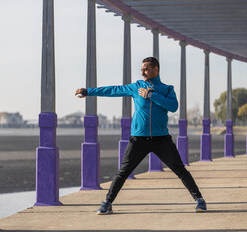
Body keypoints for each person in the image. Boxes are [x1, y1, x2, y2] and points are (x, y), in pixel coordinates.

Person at [75, 57, 206, 215]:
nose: (142, 72)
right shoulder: (136, 87)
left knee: (180, 169)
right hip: (138, 139)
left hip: (161, 140)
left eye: (145, 69)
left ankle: (199, 200)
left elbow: (173, 107)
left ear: (155, 69)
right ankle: (107, 203)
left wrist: (152, 96)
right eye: (142, 69)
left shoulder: (167, 89)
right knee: (123, 172)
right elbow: (113, 90)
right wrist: (88, 91)